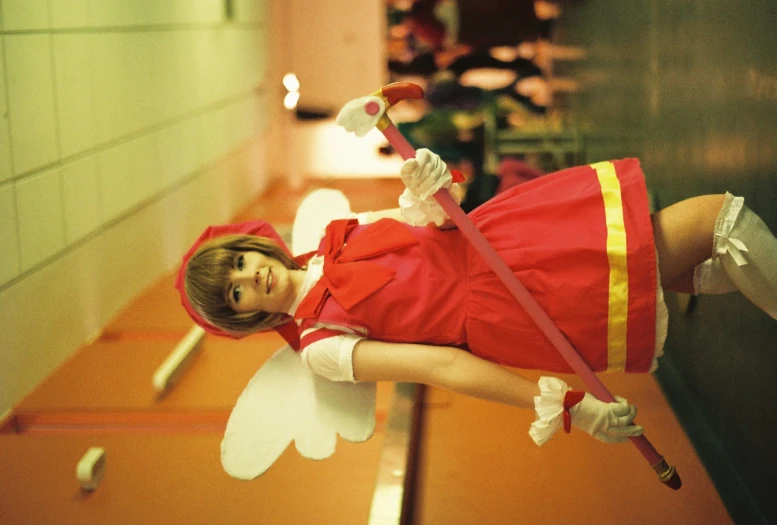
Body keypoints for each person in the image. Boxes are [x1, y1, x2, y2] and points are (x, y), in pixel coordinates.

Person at [176, 149, 777, 447]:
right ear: (244, 316)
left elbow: (436, 224)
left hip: (506, 239)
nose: (249, 277)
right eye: (234, 292)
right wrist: (568, 406)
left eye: (239, 262)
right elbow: (442, 365)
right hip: (513, 302)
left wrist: (430, 187)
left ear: (251, 247)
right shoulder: (320, 349)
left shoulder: (334, 235)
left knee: (675, 267)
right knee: (709, 221)